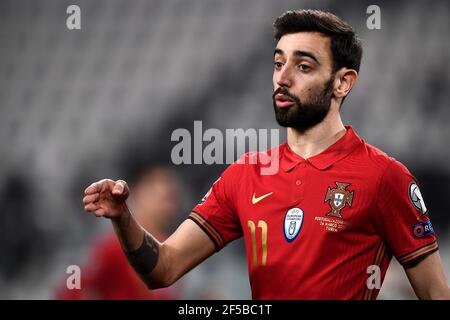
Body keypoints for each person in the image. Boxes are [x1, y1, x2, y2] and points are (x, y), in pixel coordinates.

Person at [83, 10, 450, 299]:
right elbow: (162, 269)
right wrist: (122, 218)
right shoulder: (245, 175)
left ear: (343, 82)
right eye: (278, 63)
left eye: (303, 66)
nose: (282, 77)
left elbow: (435, 293)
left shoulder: (385, 177)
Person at [60, 165, 180, 299]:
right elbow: (73, 286)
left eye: (170, 198)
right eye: (158, 196)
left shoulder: (173, 250)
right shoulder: (112, 248)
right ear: (139, 193)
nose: (165, 206)